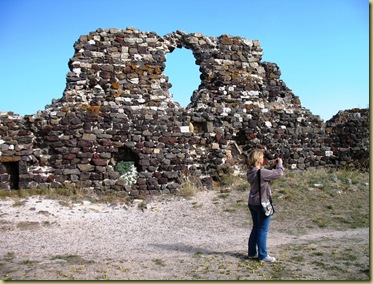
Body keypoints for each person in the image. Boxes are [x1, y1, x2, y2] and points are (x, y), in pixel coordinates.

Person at [246, 149, 284, 262]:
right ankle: (262, 255)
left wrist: (271, 167)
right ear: (258, 159)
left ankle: (252, 252)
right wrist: (280, 164)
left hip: (252, 202)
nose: (264, 159)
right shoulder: (262, 173)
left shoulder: (251, 172)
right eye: (262, 157)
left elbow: (262, 177)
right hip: (262, 203)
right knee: (263, 229)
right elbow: (279, 173)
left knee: (256, 228)